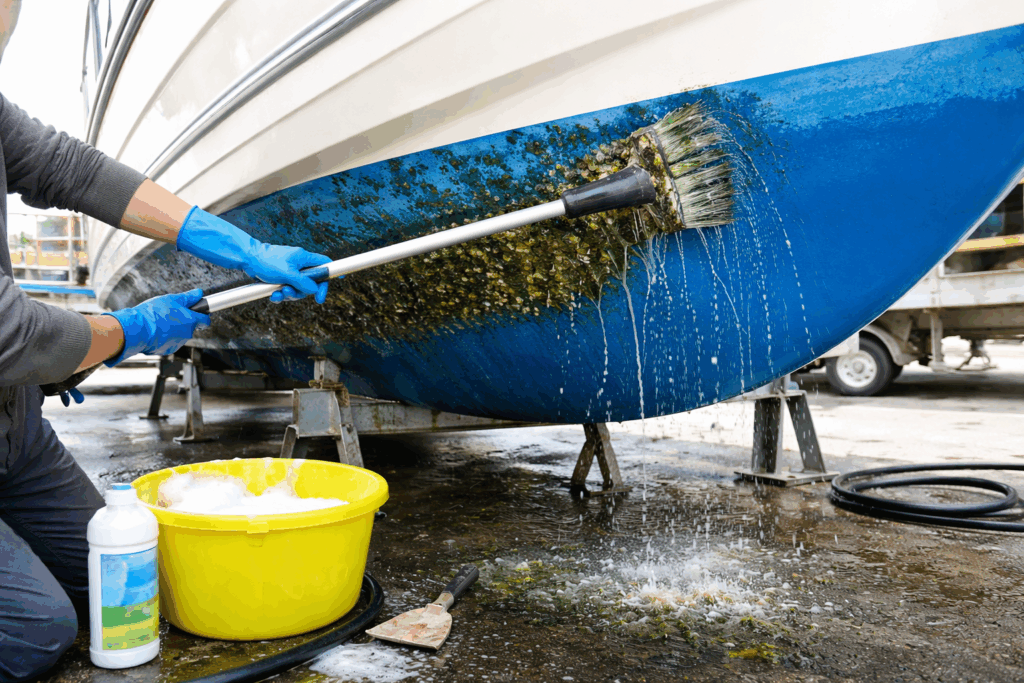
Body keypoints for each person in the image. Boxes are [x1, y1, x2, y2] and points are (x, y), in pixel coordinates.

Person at [0, 3, 332, 680]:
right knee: (36, 631)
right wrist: (132, 330)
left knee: (118, 591)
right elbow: (13, 335)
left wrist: (245, 248)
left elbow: (74, 169)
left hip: (12, 435)